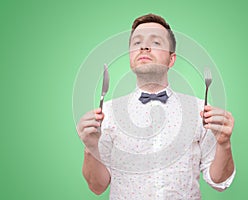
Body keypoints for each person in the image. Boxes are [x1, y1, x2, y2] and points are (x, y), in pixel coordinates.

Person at [76, 13, 235, 199]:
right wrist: (90, 147)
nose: (144, 47)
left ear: (171, 59)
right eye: (136, 43)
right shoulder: (107, 113)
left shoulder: (201, 112)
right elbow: (98, 186)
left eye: (156, 43)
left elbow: (218, 182)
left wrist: (224, 144)